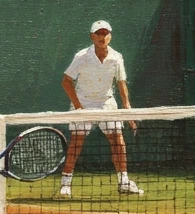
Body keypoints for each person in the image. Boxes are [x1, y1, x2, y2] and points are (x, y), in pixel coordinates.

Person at [59, 20, 143, 197]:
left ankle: (124, 182)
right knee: (77, 143)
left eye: (105, 33)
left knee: (118, 141)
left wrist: (127, 108)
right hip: (83, 102)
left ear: (110, 36)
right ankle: (65, 184)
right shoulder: (81, 56)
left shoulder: (117, 57)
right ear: (92, 37)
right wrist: (78, 107)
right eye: (98, 34)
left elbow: (121, 83)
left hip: (107, 103)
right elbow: (66, 81)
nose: (102, 37)